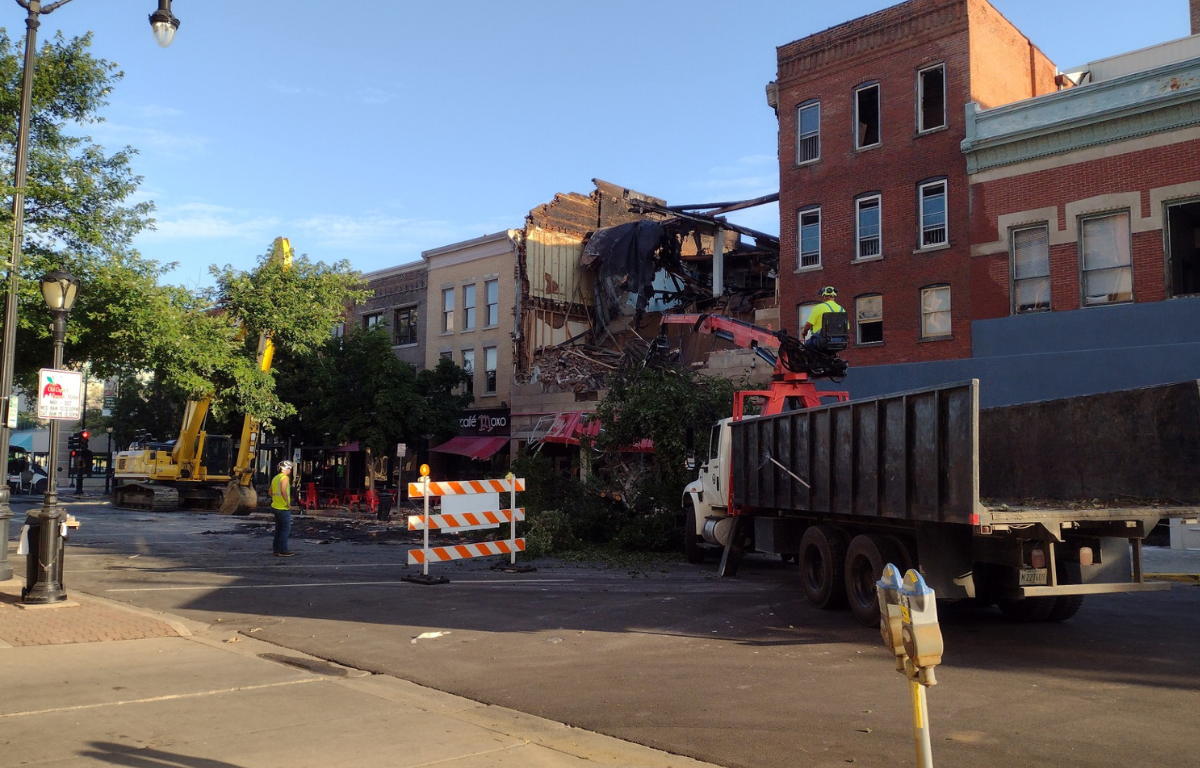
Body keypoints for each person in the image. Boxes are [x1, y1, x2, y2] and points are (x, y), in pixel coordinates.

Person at [800, 286, 845, 352]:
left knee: (806, 346)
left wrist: (804, 332)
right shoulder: (842, 310)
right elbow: (846, 328)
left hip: (822, 342)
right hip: (840, 342)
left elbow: (808, 324)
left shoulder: (819, 307)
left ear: (824, 296)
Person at [270, 460, 295, 557]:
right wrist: (288, 504)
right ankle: (283, 550)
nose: (290, 470)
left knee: (278, 529)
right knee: (285, 529)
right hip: (283, 507)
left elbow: (270, 492)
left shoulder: (275, 478)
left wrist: (276, 499)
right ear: (285, 468)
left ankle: (276, 549)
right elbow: (284, 491)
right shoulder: (284, 478)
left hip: (275, 506)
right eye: (289, 468)